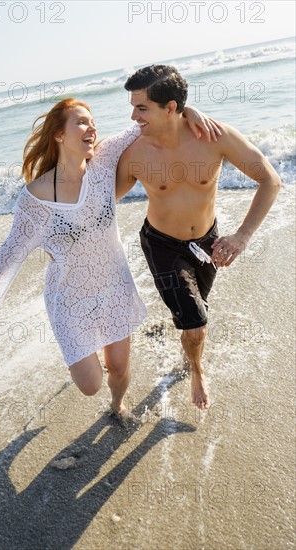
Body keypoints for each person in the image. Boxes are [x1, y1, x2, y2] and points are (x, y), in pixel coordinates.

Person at [0, 97, 220, 423]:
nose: (92, 127)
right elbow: (12, 249)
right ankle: (82, 353)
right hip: (70, 297)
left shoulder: (103, 163)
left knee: (118, 368)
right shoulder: (35, 197)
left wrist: (188, 112)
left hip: (114, 287)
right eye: (82, 122)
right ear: (59, 134)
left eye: (93, 121)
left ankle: (117, 405)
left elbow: (146, 123)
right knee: (90, 384)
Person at [116, 65, 281, 411]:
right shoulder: (133, 153)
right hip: (160, 244)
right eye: (133, 106)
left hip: (208, 241)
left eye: (142, 107)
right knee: (197, 322)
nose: (133, 116)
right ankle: (197, 371)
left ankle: (188, 349)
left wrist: (242, 236)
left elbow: (269, 180)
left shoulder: (214, 137)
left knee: (195, 317)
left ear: (171, 107)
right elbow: (101, 204)